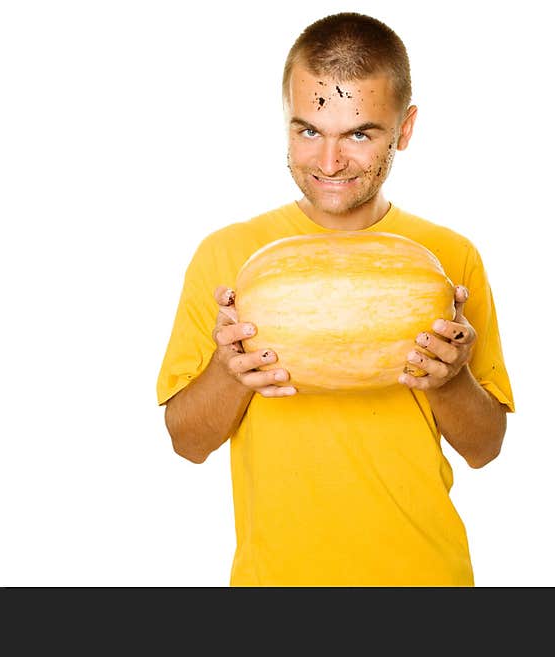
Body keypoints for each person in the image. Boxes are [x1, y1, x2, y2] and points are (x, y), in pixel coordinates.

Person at [156, 12, 514, 586]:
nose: (329, 164)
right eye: (308, 131)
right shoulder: (226, 256)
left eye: (359, 134)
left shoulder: (451, 257)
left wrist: (452, 380)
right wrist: (230, 372)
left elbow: (486, 448)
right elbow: (186, 443)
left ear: (405, 128)